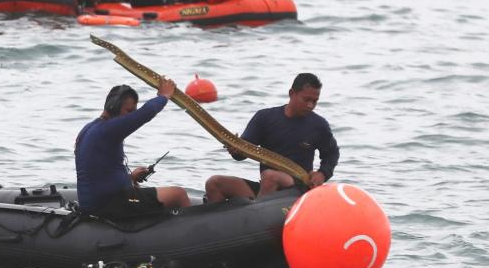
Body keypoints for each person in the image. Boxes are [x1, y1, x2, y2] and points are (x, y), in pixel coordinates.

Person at [204, 73, 339, 203]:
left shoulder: (318, 125)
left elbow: (332, 154)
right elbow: (241, 155)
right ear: (292, 93)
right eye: (306, 100)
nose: (310, 105)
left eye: (314, 101)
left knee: (270, 176)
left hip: (297, 189)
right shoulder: (264, 118)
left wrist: (322, 173)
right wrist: (235, 150)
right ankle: (218, 222)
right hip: (266, 186)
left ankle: (255, 216)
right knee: (214, 183)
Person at [74, 80, 191, 219]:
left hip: (96, 202)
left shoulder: (89, 128)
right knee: (179, 194)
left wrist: (130, 178)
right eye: (129, 111)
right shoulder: (108, 129)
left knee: (143, 194)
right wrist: (164, 95)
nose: (131, 116)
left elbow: (98, 173)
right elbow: (146, 112)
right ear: (113, 108)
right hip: (109, 204)